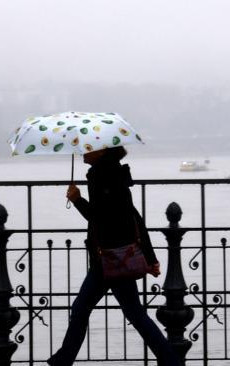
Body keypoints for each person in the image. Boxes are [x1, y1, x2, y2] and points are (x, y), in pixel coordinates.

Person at [47, 146, 180, 366]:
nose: (83, 151)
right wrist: (149, 257)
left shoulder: (102, 175)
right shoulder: (111, 173)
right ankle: (63, 361)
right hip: (112, 258)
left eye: (88, 147)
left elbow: (101, 218)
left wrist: (77, 199)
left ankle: (170, 361)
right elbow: (133, 217)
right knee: (124, 313)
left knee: (95, 310)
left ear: (101, 152)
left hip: (112, 259)